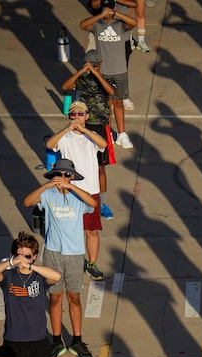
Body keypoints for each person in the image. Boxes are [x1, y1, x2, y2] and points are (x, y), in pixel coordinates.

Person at [22, 159, 97, 357]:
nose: (62, 178)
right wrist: (47, 185)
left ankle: (77, 340)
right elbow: (27, 202)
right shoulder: (48, 195)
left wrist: (71, 187)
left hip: (74, 255)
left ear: (72, 177)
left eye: (67, 175)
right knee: (55, 298)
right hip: (53, 254)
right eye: (59, 174)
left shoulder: (77, 196)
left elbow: (93, 204)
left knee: (74, 297)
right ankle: (56, 340)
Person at [45, 101, 108, 281]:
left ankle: (92, 263)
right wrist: (67, 129)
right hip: (68, 190)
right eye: (73, 114)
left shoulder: (92, 136)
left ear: (87, 116)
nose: (77, 117)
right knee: (66, 228)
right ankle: (66, 260)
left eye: (81, 114)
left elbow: (103, 144)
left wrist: (84, 130)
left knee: (91, 230)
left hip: (89, 190)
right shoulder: (64, 138)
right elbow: (50, 144)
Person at [60, 51, 117, 221]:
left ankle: (103, 203)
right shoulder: (82, 79)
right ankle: (74, 197)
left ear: (100, 64)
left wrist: (97, 75)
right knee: (76, 164)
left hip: (100, 127)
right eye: (90, 65)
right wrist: (80, 72)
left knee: (100, 167)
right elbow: (65, 87)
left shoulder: (106, 78)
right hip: (83, 124)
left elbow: (111, 92)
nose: (92, 68)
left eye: (95, 65)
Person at [80, 0, 136, 150]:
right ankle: (107, 133)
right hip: (103, 72)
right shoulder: (97, 25)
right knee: (106, 105)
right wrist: (100, 16)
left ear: (114, 8)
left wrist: (116, 14)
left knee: (118, 102)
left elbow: (133, 23)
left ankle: (122, 134)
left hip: (119, 70)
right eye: (105, 8)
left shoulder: (120, 25)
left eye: (110, 8)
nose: (108, 11)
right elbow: (83, 25)